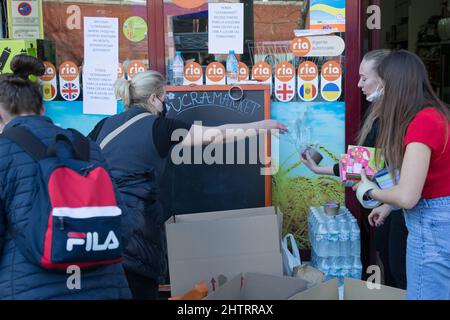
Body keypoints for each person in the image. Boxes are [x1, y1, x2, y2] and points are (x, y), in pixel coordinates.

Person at [88, 70, 288, 299]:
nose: (165, 105)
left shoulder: (103, 126)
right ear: (153, 98)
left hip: (100, 230)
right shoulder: (159, 127)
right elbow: (216, 136)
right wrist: (264, 124)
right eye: (164, 99)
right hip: (137, 235)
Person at [0, 54, 131, 299]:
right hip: (106, 287)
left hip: (30, 289)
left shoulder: (3, 151)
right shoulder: (85, 146)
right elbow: (123, 224)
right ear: (41, 108)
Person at [301, 50, 408, 290]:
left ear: (384, 78)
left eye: (363, 78)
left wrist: (320, 169)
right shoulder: (380, 111)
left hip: (400, 209)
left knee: (399, 273)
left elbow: (366, 166)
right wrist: (319, 169)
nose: (358, 84)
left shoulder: (395, 117)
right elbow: (365, 164)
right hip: (391, 206)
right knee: (392, 265)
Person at [356, 50, 450, 300]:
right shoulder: (434, 114)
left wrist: (367, 191)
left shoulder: (422, 122)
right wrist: (388, 206)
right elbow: (424, 181)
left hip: (431, 223)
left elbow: (408, 196)